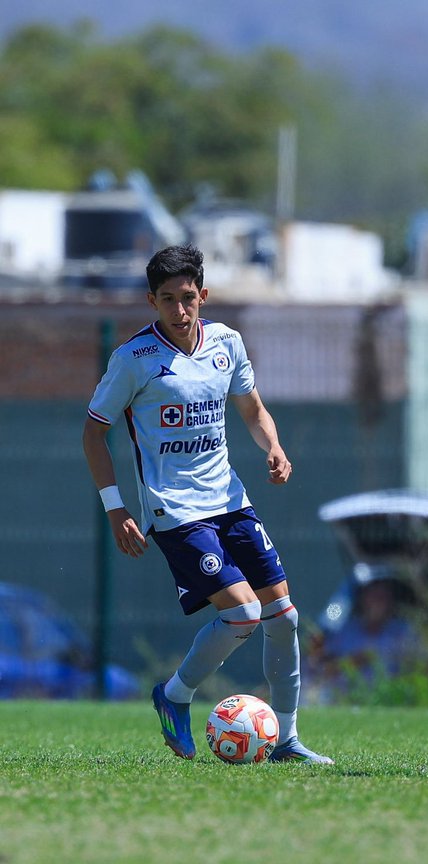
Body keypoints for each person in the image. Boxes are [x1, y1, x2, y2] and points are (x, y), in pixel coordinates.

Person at [82, 244, 332, 764]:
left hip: (230, 499)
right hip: (173, 510)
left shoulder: (226, 343)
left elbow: (253, 409)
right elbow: (93, 432)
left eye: (188, 298)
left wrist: (275, 448)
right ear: (152, 301)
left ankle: (285, 739)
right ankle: (174, 695)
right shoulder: (134, 360)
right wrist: (116, 508)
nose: (179, 310)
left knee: (282, 616)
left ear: (204, 296)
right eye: (167, 299)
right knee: (242, 614)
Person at [310, 576, 417, 697]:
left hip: (392, 697)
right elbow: (322, 668)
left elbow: (418, 668)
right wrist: (353, 662)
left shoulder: (403, 631)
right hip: (346, 697)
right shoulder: (344, 630)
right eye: (374, 596)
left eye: (383, 597)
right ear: (363, 599)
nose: (378, 603)